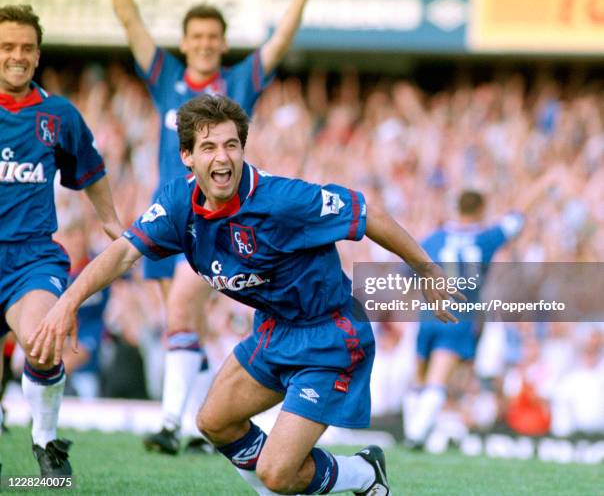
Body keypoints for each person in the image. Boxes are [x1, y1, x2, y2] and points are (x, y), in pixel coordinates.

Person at [29, 94, 461, 495]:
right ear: (187, 156)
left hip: (330, 337)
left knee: (277, 474)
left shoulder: (282, 201)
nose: (223, 157)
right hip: (273, 332)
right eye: (209, 147)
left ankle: (365, 473)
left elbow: (369, 215)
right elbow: (124, 252)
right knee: (214, 421)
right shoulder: (180, 203)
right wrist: (67, 301)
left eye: (232, 145)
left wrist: (426, 270)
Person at [86, 0, 328, 454]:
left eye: (212, 37)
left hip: (218, 218)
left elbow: (281, 41)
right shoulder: (166, 76)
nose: (203, 43)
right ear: (186, 40)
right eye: (195, 36)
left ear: (221, 42)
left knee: (180, 311)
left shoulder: (240, 81)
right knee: (181, 324)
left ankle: (172, 425)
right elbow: (130, 21)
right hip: (168, 216)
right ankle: (199, 422)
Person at [0, 4, 121, 476]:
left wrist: (111, 223)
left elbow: (90, 169)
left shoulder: (58, 115)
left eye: (26, 47)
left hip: (31, 259)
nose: (17, 55)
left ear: (37, 54)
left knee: (43, 341)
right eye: (7, 46)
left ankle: (46, 442)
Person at [403, 173, 558, 450]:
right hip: (460, 318)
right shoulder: (485, 239)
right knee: (439, 378)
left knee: (421, 378)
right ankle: (415, 435)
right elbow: (518, 215)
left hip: (429, 315)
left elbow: (408, 273)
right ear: (480, 210)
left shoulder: (434, 239)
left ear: (458, 208)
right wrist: (544, 183)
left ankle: (414, 430)